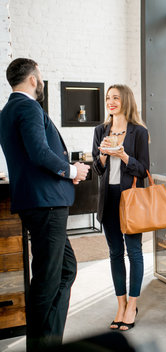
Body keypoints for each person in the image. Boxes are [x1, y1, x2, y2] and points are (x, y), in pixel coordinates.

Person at [0, 58, 90, 350]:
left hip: (42, 202)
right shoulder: (26, 107)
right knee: (47, 280)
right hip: (46, 206)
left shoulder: (9, 109)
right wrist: (72, 170)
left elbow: (30, 157)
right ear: (33, 78)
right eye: (39, 74)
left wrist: (64, 176)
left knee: (65, 270)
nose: (41, 78)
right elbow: (40, 153)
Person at [92, 84, 150, 331]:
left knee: (134, 252)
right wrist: (104, 155)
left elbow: (144, 170)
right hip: (109, 198)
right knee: (115, 253)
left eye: (115, 97)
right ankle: (120, 303)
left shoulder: (138, 132)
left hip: (130, 199)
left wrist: (124, 156)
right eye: (108, 98)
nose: (111, 102)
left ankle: (132, 304)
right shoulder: (100, 130)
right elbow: (97, 169)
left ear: (125, 100)